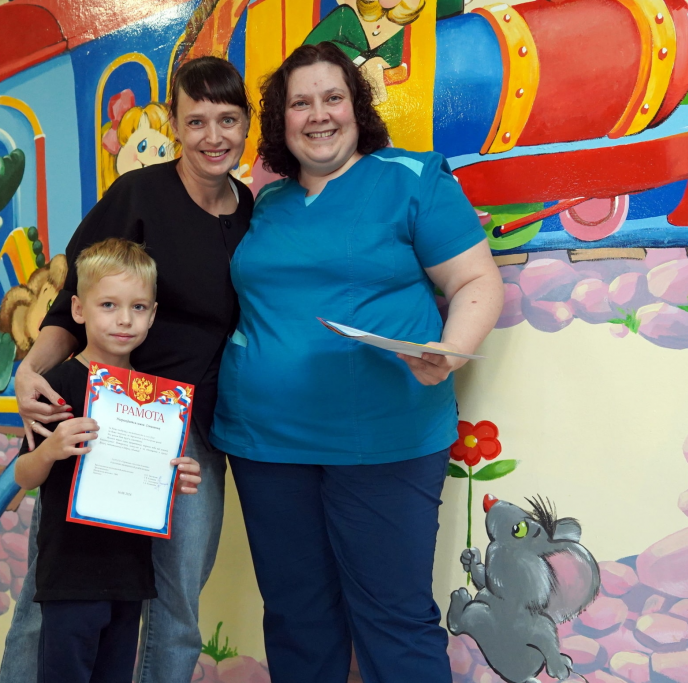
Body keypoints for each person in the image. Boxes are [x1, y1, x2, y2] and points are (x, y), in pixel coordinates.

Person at [209, 42, 504, 683]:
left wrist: (449, 350)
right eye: (300, 103)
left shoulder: (414, 179)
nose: (319, 115)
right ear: (281, 119)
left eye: (332, 98)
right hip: (265, 445)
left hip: (384, 440)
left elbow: (476, 281)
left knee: (393, 618)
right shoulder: (269, 203)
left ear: (356, 106)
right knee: (296, 616)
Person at [0, 56, 254, 683]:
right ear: (175, 124)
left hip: (195, 427)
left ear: (247, 125)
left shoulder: (251, 208)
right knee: (54, 594)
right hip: (107, 412)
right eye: (196, 121)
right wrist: (30, 371)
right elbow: (73, 299)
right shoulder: (140, 193)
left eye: (227, 120)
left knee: (176, 602)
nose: (213, 136)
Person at [14, 238, 203, 683]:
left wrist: (173, 480)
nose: (124, 319)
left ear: (153, 315)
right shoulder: (58, 384)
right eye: (108, 305)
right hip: (69, 576)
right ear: (78, 310)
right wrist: (51, 449)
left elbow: (147, 480)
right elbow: (23, 474)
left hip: (128, 578)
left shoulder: (158, 399)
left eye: (138, 308)